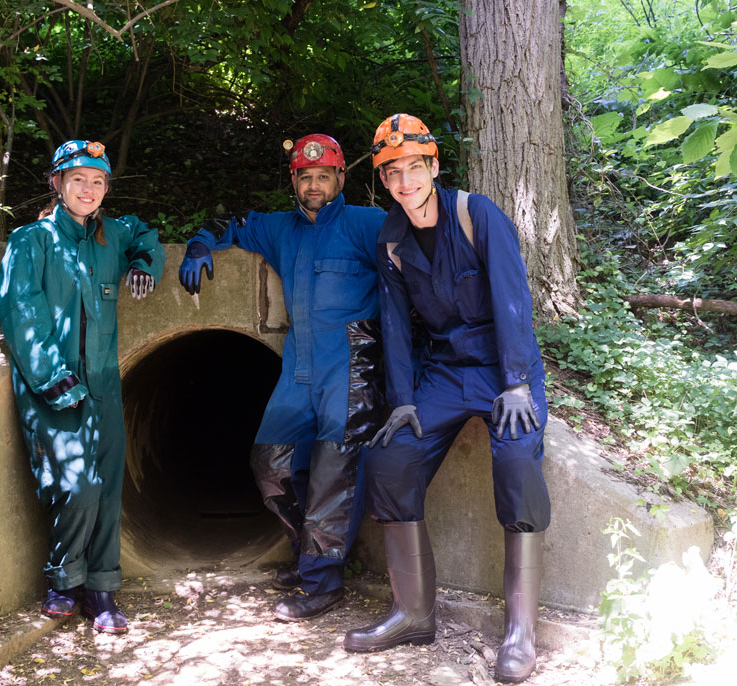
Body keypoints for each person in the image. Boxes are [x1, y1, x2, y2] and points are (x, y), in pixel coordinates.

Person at [343, 114, 550, 683]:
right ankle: (413, 613)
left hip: (504, 369)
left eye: (414, 167)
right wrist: (404, 398)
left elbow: (513, 300)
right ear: (383, 181)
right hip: (442, 373)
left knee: (515, 463)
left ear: (433, 166)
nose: (405, 181)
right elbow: (394, 323)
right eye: (392, 173)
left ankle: (520, 630)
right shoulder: (391, 238)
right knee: (389, 458)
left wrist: (515, 381)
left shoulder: (475, 214)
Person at [178, 134, 386, 621]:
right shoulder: (279, 228)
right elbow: (229, 223)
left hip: (350, 364)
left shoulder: (368, 224)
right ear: (294, 180)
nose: (314, 185)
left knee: (335, 473)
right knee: (269, 464)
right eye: (305, 177)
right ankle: (312, 554)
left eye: (323, 176)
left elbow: (411, 270)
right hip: (300, 364)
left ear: (340, 178)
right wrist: (199, 244)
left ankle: (322, 583)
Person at [0, 140, 165, 634]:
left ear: (106, 188)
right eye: (78, 180)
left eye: (97, 181)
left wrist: (143, 265)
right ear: (57, 184)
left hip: (105, 386)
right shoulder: (32, 242)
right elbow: (21, 311)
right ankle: (64, 581)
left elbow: (148, 237)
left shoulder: (111, 235)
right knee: (79, 487)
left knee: (109, 489)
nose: (88, 189)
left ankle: (102, 591)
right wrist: (51, 378)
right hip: (54, 389)